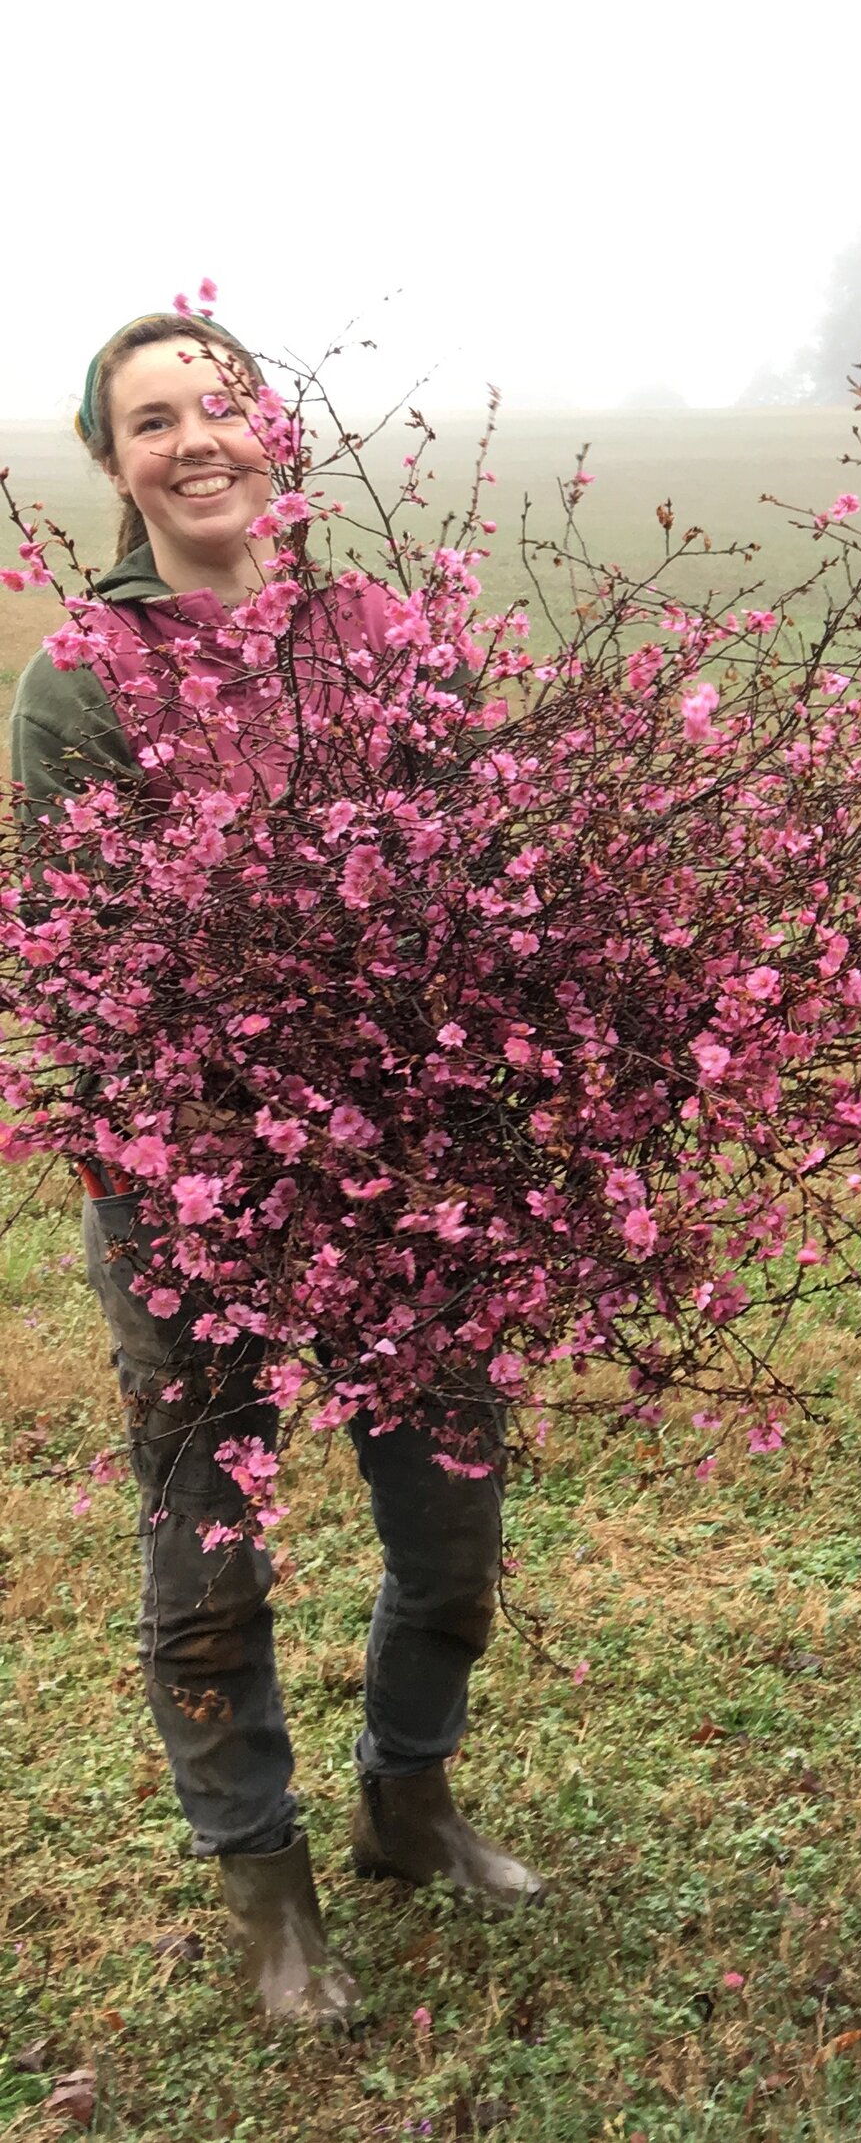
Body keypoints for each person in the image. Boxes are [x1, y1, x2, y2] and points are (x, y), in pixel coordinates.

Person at [10, 313, 543, 2032]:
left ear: (274, 431)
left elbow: (480, 861)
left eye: (220, 407)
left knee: (452, 1520)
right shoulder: (80, 678)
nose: (196, 442)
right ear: (114, 466)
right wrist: (209, 1143)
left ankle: (410, 1797)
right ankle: (267, 1891)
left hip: (408, 1163)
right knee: (207, 1542)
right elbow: (79, 955)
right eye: (152, 421)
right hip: (190, 1187)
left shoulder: (380, 632)